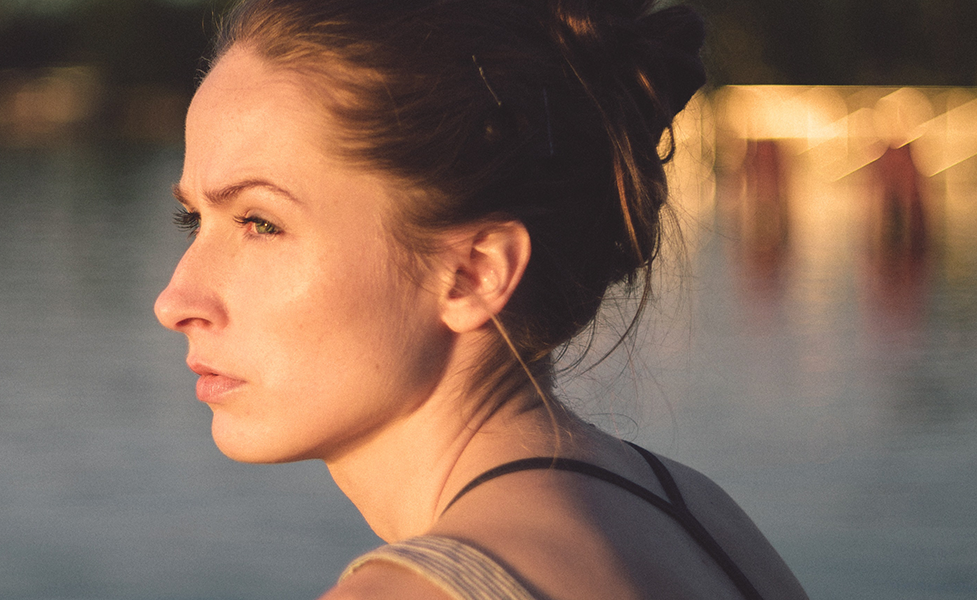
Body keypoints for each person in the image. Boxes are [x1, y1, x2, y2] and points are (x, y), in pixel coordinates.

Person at [152, 0, 808, 598]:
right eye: (193, 220)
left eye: (260, 223)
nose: (175, 300)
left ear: (474, 272)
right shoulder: (701, 520)